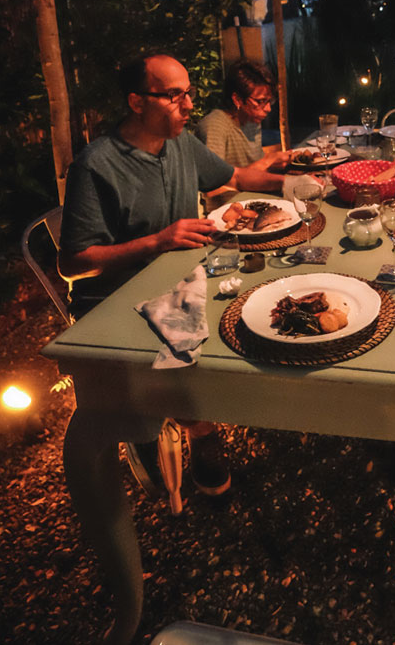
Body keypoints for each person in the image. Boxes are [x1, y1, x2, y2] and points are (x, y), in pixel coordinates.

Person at [59, 53, 288, 498]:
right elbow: (72, 263)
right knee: (207, 347)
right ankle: (193, 426)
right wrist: (158, 241)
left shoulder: (180, 142)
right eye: (173, 95)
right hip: (120, 300)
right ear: (136, 102)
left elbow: (238, 177)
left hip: (182, 279)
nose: (188, 105)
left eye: (188, 93)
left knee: (265, 302)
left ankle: (187, 412)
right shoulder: (96, 165)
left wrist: (306, 181)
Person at [195, 60, 285, 212]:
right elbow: (213, 188)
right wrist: (267, 161)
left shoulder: (251, 120)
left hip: (256, 200)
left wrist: (276, 163)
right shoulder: (215, 126)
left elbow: (255, 169)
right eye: (260, 101)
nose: (268, 108)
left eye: (269, 101)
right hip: (228, 209)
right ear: (237, 99)